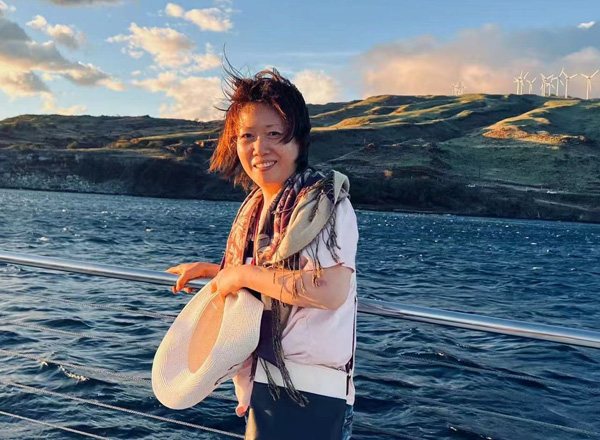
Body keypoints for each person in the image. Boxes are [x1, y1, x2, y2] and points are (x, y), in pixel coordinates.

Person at [165, 67, 358, 440]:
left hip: (306, 394)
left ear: (299, 139)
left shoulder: (322, 205)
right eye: (247, 136)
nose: (259, 148)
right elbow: (271, 272)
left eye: (273, 134)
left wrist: (239, 275)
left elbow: (330, 291)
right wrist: (218, 271)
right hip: (264, 385)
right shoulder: (259, 205)